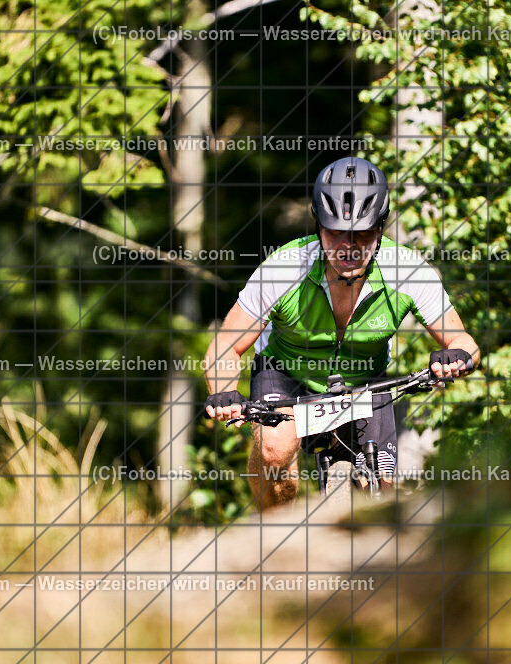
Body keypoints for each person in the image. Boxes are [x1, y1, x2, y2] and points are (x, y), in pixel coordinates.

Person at [203, 157, 480, 510]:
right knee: (274, 453)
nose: (348, 246)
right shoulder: (285, 268)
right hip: (287, 374)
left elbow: (464, 342)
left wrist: (455, 357)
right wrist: (225, 392)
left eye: (362, 233)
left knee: (383, 483)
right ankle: (273, 537)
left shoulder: (408, 271)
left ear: (381, 229)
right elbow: (225, 346)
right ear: (318, 227)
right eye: (336, 232)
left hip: (364, 380)